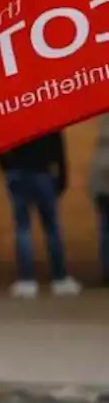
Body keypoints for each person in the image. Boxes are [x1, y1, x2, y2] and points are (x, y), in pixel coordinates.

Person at [0, 132, 81, 298]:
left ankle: (26, 281)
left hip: (17, 173)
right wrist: (62, 179)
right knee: (52, 228)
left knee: (23, 228)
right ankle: (60, 279)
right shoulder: (47, 113)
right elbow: (58, 147)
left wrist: (7, 167)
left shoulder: (12, 115)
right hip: (43, 173)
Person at [93, 115, 109, 287]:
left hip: (102, 191)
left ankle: (106, 272)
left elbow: (94, 174)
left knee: (105, 231)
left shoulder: (101, 144)